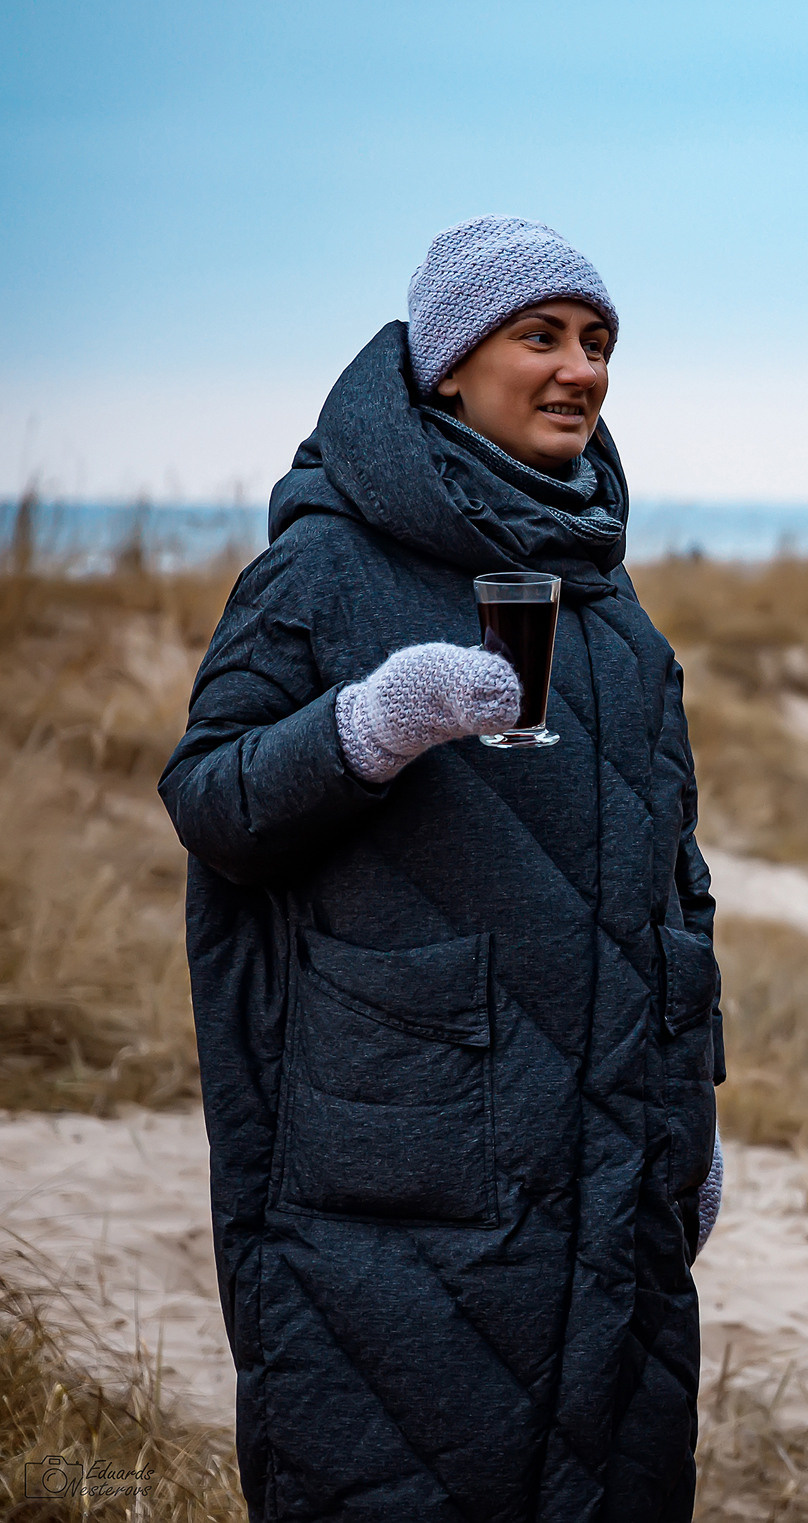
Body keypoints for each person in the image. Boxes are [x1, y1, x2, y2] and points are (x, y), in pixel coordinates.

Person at [161, 216, 723, 1521]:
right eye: (542, 336)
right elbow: (210, 800)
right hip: (398, 1177)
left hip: (610, 1166)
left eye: (598, 341)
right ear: (448, 364)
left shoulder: (612, 607)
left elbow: (672, 886)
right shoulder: (321, 566)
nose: (581, 368)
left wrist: (689, 1114)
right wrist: (365, 728)